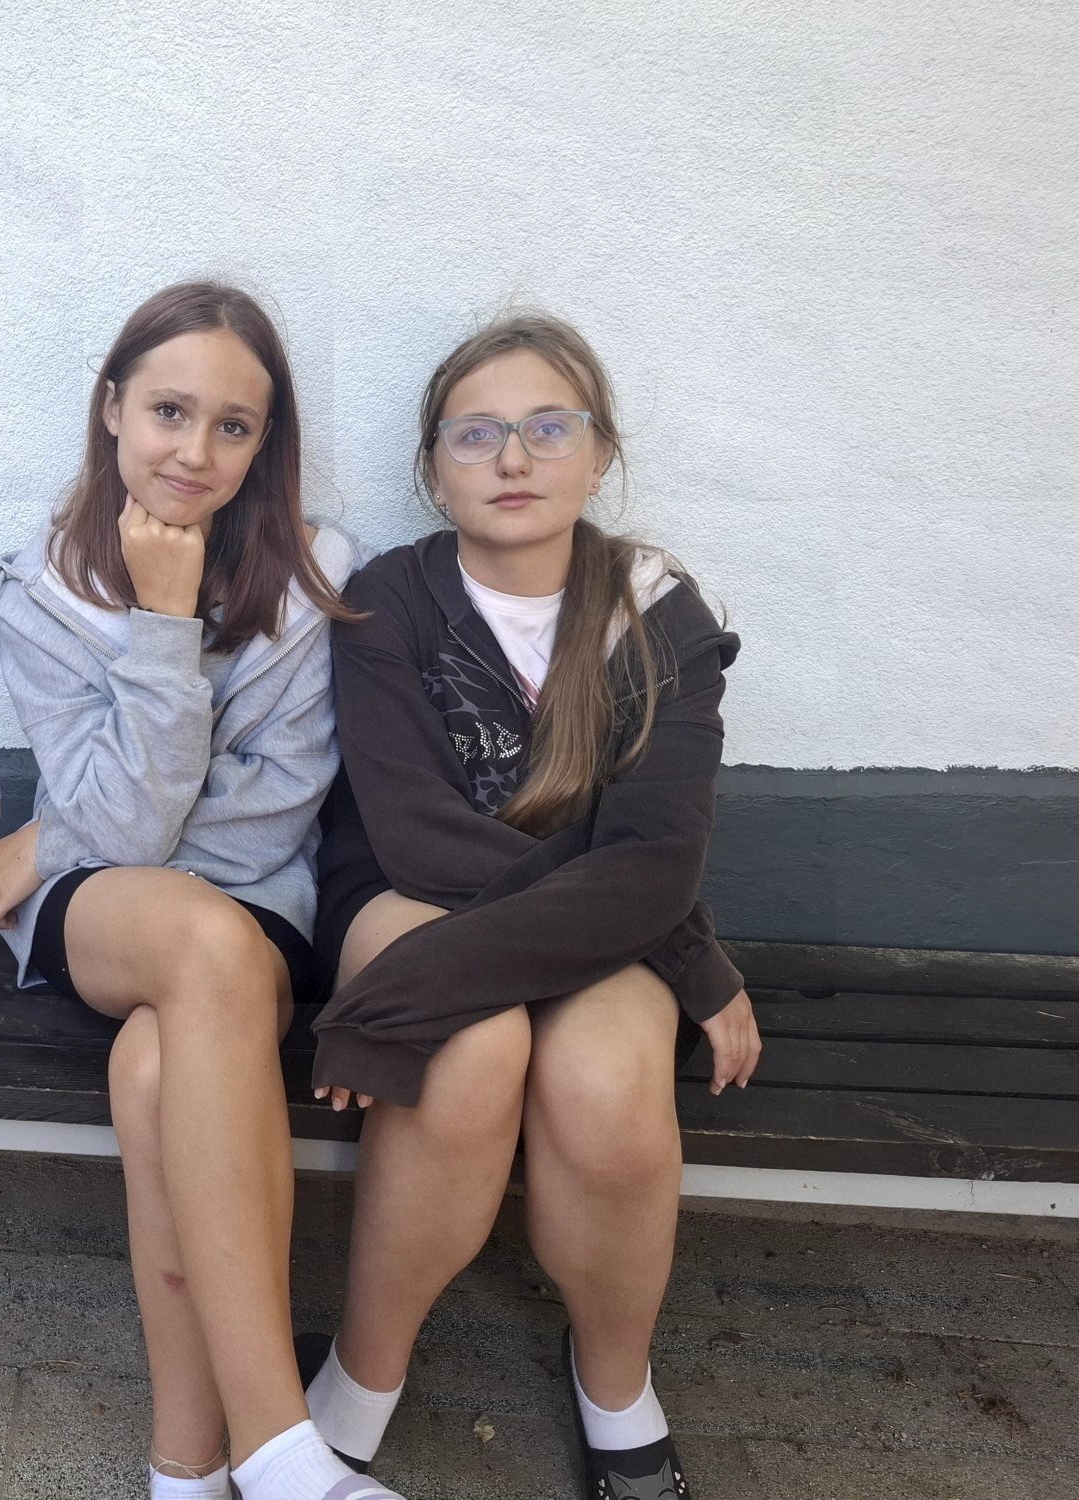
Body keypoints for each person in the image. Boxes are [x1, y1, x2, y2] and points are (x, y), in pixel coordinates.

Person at [0, 282, 402, 1500]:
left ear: (265, 445)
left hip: (254, 909)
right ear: (110, 408)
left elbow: (273, 809)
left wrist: (52, 826)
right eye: (167, 410)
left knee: (154, 1070)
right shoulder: (42, 589)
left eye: (232, 425)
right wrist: (160, 628)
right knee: (197, 946)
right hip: (105, 907)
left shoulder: (316, 581)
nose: (193, 452)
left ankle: (186, 1468)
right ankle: (280, 1443)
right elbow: (120, 830)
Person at [303, 313, 757, 1500]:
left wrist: (662, 929)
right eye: (476, 434)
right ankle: (360, 1376)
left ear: (598, 456)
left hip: (609, 916)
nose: (512, 458)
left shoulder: (654, 611)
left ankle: (614, 1386)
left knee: (605, 1087)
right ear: (432, 470)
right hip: (411, 894)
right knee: (464, 1055)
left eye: (548, 428)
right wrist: (685, 950)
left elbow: (656, 855)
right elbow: (416, 838)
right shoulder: (387, 601)